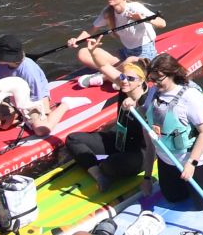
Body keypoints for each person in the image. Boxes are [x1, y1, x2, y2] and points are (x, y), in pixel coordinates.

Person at [141, 53, 203, 204]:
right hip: (167, 159)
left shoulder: (190, 97)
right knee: (174, 198)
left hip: (192, 158)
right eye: (151, 80)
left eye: (158, 80)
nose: (154, 84)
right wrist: (147, 177)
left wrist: (191, 163)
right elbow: (149, 134)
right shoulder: (154, 93)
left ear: (171, 74)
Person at [64, 57, 151, 192]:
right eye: (122, 76)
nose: (124, 81)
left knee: (111, 163)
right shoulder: (124, 86)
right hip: (119, 141)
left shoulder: (148, 101)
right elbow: (103, 65)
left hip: (139, 153)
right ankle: (99, 175)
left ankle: (104, 168)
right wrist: (92, 51)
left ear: (142, 81)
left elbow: (154, 135)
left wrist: (137, 106)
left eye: (130, 79)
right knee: (73, 139)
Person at [70, 0, 165, 74]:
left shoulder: (135, 7)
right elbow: (91, 31)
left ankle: (111, 73)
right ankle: (114, 71)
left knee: (131, 72)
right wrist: (76, 40)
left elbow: (162, 23)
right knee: (82, 53)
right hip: (126, 52)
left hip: (144, 52)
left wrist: (144, 18)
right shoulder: (108, 12)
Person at [0, 34, 52, 104]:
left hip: (37, 93)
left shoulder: (28, 70)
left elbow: (36, 94)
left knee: (41, 114)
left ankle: (65, 104)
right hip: (14, 94)